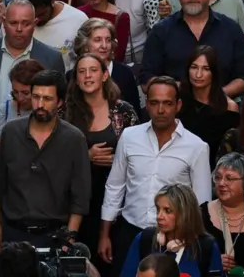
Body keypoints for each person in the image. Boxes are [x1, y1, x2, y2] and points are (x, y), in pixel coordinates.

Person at [98, 75, 211, 271]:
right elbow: (115, 186)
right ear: (147, 105)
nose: (161, 110)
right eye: (154, 103)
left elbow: (201, 203)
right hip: (130, 230)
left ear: (178, 105)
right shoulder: (129, 137)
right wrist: (104, 234)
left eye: (167, 103)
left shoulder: (197, 147)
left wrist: (193, 244)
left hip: (175, 238)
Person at [0, 69, 91, 249]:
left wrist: (70, 238)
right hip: (13, 232)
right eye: (36, 97)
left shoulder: (74, 139)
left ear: (60, 102)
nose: (40, 104)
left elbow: (80, 197)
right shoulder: (11, 132)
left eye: (47, 99)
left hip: (55, 234)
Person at [64, 53, 139, 264]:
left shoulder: (123, 111)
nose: (88, 76)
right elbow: (55, 157)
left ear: (105, 75)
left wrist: (118, 159)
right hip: (75, 199)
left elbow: (139, 154)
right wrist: (85, 156)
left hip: (116, 200)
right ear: (76, 78)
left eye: (94, 70)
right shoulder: (65, 111)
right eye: (82, 71)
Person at [140, 0, 244, 96]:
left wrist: (216, 96)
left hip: (220, 111)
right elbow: (146, 81)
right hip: (176, 113)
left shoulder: (231, 30)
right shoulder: (161, 32)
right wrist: (185, 92)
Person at [0, 0, 65, 128]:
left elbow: (59, 105)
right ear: (4, 22)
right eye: (13, 23)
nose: (19, 29)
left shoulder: (51, 58)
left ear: (35, 24)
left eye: (25, 23)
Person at [116, 183, 223, 277]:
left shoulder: (206, 246)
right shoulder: (145, 239)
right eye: (158, 209)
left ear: (185, 214)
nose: (159, 216)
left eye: (167, 211)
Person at [176, 46, 240, 159]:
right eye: (194, 67)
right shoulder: (177, 101)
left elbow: (232, 152)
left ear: (214, 72)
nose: (198, 74)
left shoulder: (229, 107)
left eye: (206, 69)